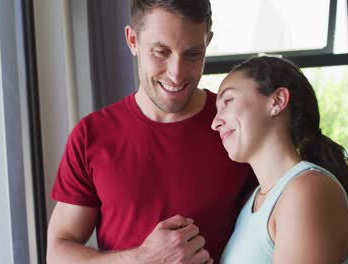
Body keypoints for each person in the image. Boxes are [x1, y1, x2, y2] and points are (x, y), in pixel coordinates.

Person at [46, 0, 256, 263]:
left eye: (192, 54)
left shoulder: (237, 125)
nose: (177, 74)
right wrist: (142, 259)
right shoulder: (91, 135)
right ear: (133, 40)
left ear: (208, 42)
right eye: (161, 52)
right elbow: (58, 254)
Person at [211, 56, 348, 263]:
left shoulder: (306, 190)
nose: (215, 122)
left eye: (228, 101)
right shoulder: (253, 201)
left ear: (277, 101)